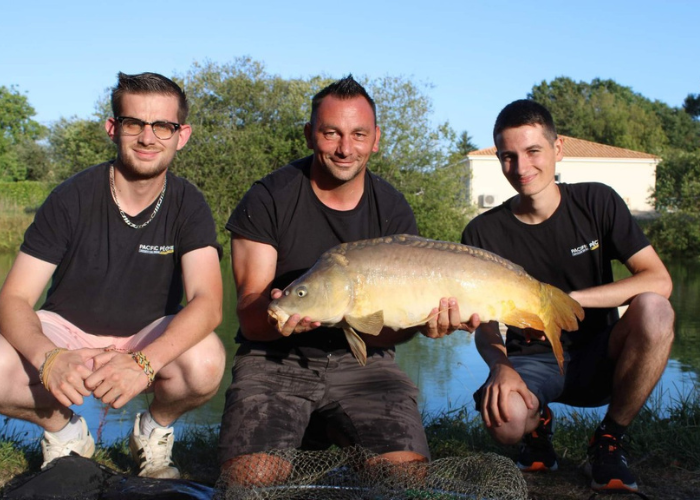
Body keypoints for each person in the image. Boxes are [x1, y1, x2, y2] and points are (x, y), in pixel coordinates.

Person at [218, 75, 475, 485]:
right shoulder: (269, 198)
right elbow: (250, 316)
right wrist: (278, 316)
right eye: (331, 133)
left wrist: (422, 325)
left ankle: (323, 429)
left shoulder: (391, 208)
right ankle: (308, 429)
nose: (345, 148)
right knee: (251, 481)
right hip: (274, 362)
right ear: (309, 135)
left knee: (403, 479)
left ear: (375, 139)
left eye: (358, 134)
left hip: (365, 365)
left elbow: (387, 338)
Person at [0, 72, 226, 479]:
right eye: (133, 123)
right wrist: (48, 357)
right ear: (112, 128)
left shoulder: (189, 203)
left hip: (147, 337)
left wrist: (143, 363)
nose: (147, 137)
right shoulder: (71, 196)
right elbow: (15, 298)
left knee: (207, 360)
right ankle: (65, 430)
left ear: (182, 134)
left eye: (163, 126)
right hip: (68, 333)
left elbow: (208, 303)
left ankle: (153, 431)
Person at [461, 99, 674, 493]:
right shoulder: (482, 234)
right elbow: (484, 322)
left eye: (532, 151)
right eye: (508, 157)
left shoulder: (597, 202)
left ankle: (609, 440)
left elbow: (659, 280)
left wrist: (567, 301)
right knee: (506, 423)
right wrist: (499, 365)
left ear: (557, 150)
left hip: (599, 355)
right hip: (532, 362)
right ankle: (536, 427)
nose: (521, 168)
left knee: (655, 310)